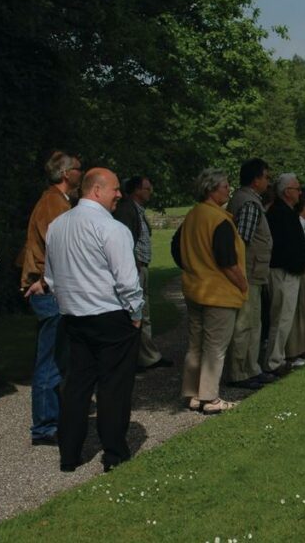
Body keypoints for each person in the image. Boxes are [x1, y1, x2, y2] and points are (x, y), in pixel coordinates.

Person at [44, 168, 145, 472]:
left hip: (74, 316)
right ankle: (114, 453)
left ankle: (69, 454)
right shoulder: (111, 228)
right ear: (97, 190)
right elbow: (127, 280)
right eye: (115, 189)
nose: (119, 194)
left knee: (77, 385)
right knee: (114, 385)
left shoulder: (57, 226)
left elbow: (51, 276)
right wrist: (136, 313)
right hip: (110, 315)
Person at [173, 168, 248, 414]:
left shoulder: (192, 215)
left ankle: (192, 393)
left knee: (195, 344)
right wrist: (242, 283)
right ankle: (210, 397)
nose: (229, 190)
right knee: (216, 346)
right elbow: (227, 260)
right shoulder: (218, 219)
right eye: (225, 186)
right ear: (211, 189)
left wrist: (193, 266)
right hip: (218, 292)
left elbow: (176, 248)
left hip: (195, 288)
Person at [20, 150, 81, 446]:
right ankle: (44, 427)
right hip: (49, 291)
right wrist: (43, 280)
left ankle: (52, 418)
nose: (81, 174)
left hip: (52, 288)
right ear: (66, 174)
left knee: (58, 357)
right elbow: (58, 247)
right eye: (78, 169)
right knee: (50, 360)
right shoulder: (52, 204)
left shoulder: (58, 202)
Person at [224, 158, 275, 390]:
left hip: (253, 272)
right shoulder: (250, 204)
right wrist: (240, 275)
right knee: (246, 323)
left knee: (254, 322)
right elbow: (241, 243)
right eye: (266, 177)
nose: (268, 181)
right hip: (249, 274)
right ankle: (240, 372)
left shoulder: (247, 201)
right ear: (256, 180)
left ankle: (251, 368)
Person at [113, 175, 172, 371]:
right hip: (135, 269)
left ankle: (147, 356)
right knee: (136, 312)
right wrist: (134, 263)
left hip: (140, 267)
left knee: (143, 312)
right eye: (147, 188)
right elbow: (125, 239)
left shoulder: (135, 210)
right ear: (137, 190)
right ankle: (139, 358)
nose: (150, 192)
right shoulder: (127, 210)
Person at [264, 173, 305, 373]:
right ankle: (273, 361)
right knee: (281, 318)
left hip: (290, 271)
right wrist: (297, 264)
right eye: (296, 189)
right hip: (284, 273)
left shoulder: (286, 211)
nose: (300, 193)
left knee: (284, 318)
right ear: (286, 192)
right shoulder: (279, 213)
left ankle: (277, 358)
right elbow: (283, 247)